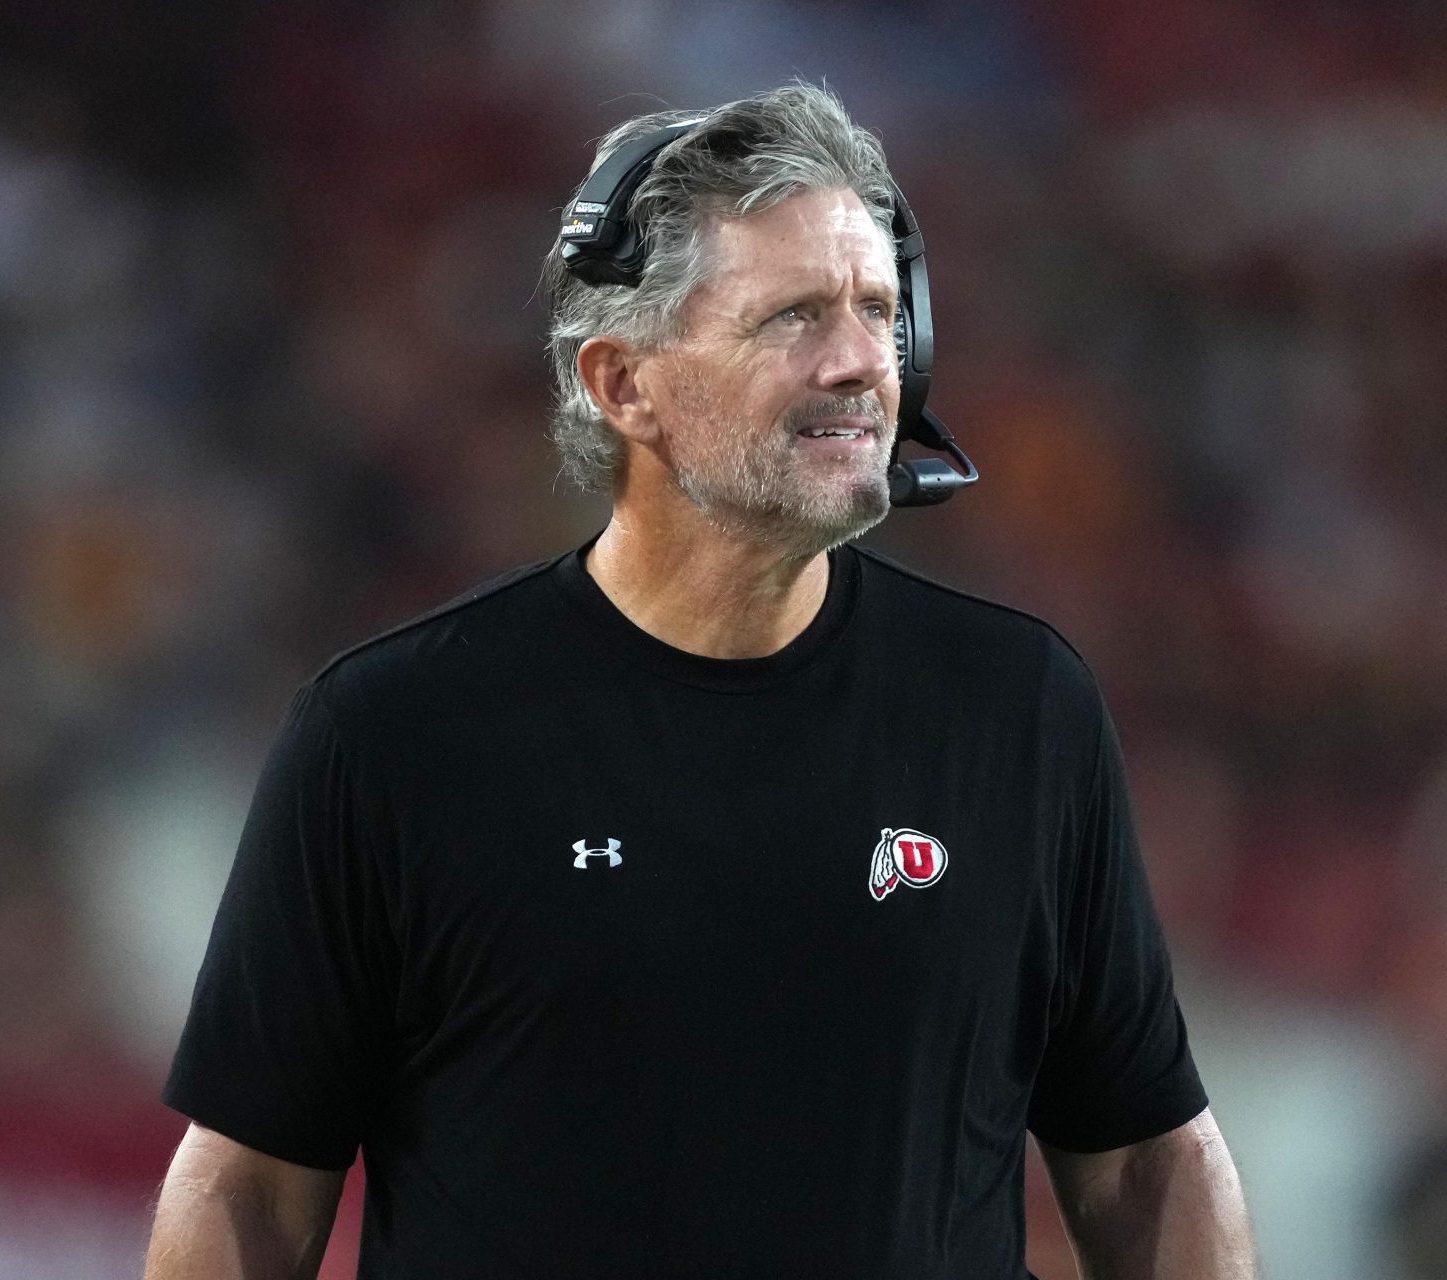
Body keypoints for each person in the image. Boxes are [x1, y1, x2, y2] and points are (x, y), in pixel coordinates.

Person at [146, 83, 1256, 1279]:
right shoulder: (395, 734)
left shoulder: (1020, 708)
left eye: (877, 311)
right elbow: (250, 1189)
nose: (858, 363)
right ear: (624, 384)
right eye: (792, 318)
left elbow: (1148, 1160)